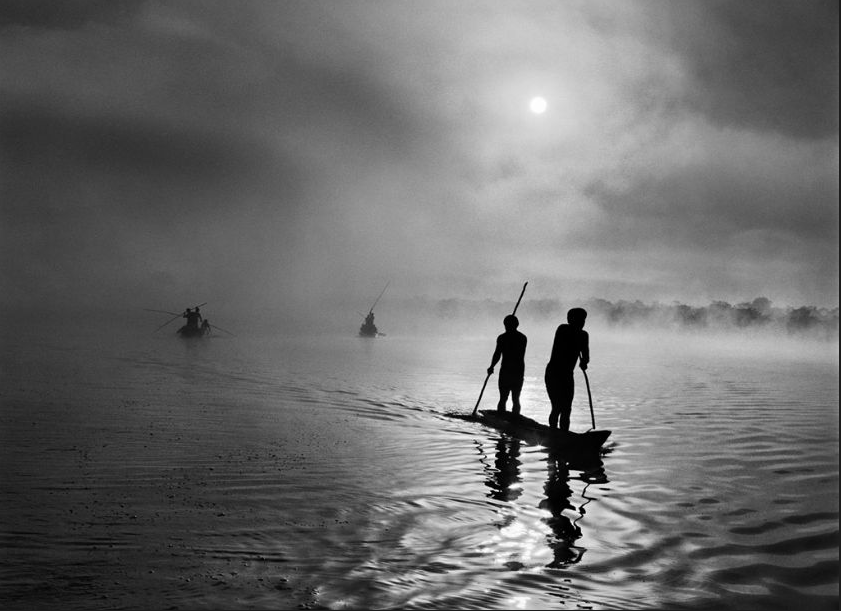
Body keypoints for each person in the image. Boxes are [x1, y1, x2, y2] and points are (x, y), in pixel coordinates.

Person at [544, 308, 589, 432]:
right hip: (553, 373)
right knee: (557, 407)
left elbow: (586, 356)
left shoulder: (584, 335)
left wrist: (584, 362)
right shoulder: (563, 329)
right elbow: (569, 340)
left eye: (583, 320)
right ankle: (553, 432)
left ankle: (564, 434)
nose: (582, 322)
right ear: (570, 320)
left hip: (568, 376)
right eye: (579, 319)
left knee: (567, 409)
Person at [487, 314, 527, 415]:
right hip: (516, 371)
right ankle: (513, 418)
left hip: (508, 371)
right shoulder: (522, 338)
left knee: (505, 398)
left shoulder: (503, 338)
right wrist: (492, 366)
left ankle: (508, 418)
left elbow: (497, 353)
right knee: (514, 398)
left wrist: (492, 366)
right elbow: (497, 354)